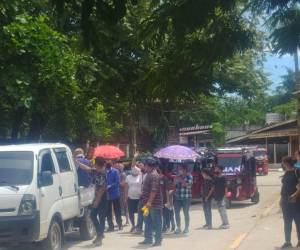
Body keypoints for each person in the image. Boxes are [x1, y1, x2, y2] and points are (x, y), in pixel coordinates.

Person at [139, 157, 163, 247]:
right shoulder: (149, 174)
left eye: (145, 165)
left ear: (149, 166)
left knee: (156, 222)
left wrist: (149, 202)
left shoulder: (154, 175)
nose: (144, 167)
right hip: (147, 204)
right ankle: (148, 238)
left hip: (153, 204)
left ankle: (158, 240)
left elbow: (154, 190)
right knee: (147, 221)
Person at [280, 156, 300, 249]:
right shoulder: (286, 172)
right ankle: (287, 242)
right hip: (285, 202)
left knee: (298, 222)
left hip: (295, 202)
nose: (282, 164)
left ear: (287, 163)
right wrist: (281, 199)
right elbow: (284, 187)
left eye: (283, 162)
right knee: (287, 222)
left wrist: (294, 196)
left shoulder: (297, 171)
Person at [90, 157, 108, 247]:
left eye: (94, 163)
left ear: (97, 164)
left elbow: (102, 188)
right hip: (97, 197)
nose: (93, 164)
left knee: (99, 217)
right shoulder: (97, 171)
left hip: (102, 199)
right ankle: (99, 235)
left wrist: (97, 201)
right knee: (93, 215)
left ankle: (99, 237)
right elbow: (87, 168)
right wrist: (77, 162)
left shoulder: (102, 173)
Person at [174, 165, 193, 235]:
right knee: (176, 213)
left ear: (185, 170)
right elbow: (175, 184)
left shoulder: (189, 176)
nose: (179, 171)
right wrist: (176, 180)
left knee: (186, 212)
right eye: (179, 169)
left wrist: (181, 180)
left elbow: (188, 186)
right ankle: (178, 227)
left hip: (186, 197)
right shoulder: (177, 176)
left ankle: (186, 228)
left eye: (181, 169)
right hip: (177, 197)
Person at [106, 159, 123, 231]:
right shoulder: (104, 172)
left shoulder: (115, 171)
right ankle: (111, 226)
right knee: (108, 211)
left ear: (112, 165)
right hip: (107, 195)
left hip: (115, 194)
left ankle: (120, 225)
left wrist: (109, 186)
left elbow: (117, 182)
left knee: (117, 210)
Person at [125, 166, 143, 232]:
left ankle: (139, 226)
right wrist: (126, 196)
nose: (135, 174)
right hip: (130, 197)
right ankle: (133, 225)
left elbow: (142, 185)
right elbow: (126, 187)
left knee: (140, 213)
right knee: (131, 212)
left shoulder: (140, 176)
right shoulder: (128, 177)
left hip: (139, 197)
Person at [213, 165, 230, 229]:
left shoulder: (223, 177)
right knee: (220, 210)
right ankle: (223, 223)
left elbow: (226, 187)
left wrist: (226, 195)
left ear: (220, 170)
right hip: (217, 196)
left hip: (222, 195)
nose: (215, 170)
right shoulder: (216, 177)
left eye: (216, 169)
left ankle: (226, 223)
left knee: (223, 210)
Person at [115, 160, 130, 226]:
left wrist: (117, 182)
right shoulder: (118, 174)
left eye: (119, 167)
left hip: (123, 193)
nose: (118, 168)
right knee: (120, 207)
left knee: (125, 206)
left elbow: (123, 184)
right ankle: (121, 220)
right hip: (119, 193)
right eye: (117, 167)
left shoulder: (123, 174)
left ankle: (127, 220)